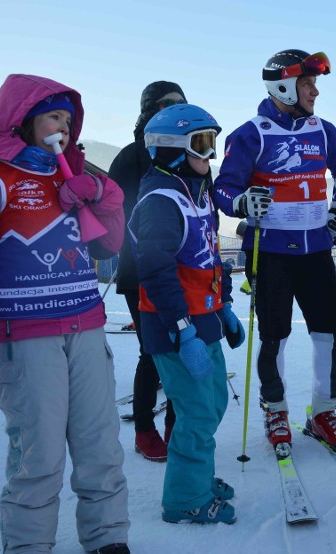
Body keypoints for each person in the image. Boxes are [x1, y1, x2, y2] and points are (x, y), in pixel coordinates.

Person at [0, 74, 130, 554]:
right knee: (38, 450)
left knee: (98, 440)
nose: (63, 127)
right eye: (52, 116)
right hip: (22, 337)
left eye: (68, 118)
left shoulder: (74, 179)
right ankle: (26, 546)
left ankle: (107, 532)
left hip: (85, 330)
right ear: (22, 121)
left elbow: (110, 246)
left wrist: (104, 197)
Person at [214, 49, 336, 456]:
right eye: (308, 84)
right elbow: (223, 189)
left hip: (316, 250)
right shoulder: (251, 133)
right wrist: (243, 202)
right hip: (270, 250)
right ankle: (275, 408)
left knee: (326, 333)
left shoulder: (322, 130)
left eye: (315, 84)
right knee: (274, 334)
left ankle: (324, 411)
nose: (315, 92)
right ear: (284, 86)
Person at [129, 103, 244, 525]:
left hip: (205, 318)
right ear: (172, 148)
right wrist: (182, 329)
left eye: (212, 143)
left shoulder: (195, 194)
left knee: (212, 403)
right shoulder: (160, 200)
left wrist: (225, 306)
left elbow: (211, 256)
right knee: (195, 412)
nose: (209, 155)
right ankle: (185, 499)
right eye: (201, 144)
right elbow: (155, 271)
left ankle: (198, 476)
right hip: (176, 327)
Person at [109, 80, 187, 461]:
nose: (175, 109)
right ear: (148, 109)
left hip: (182, 269)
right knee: (152, 352)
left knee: (179, 349)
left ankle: (176, 424)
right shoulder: (130, 156)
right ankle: (144, 430)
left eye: (181, 103)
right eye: (167, 104)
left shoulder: (187, 150)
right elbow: (113, 214)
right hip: (139, 269)